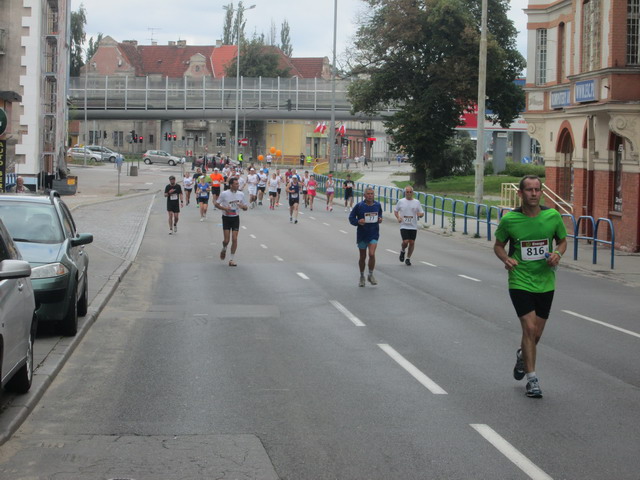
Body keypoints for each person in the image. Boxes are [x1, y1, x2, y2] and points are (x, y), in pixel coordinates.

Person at [493, 175, 567, 399]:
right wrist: (506, 259)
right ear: (520, 194)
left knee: (537, 333)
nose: (534, 194)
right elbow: (498, 245)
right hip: (520, 279)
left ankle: (522, 356)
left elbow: (562, 241)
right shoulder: (510, 220)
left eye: (537, 190)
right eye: (529, 190)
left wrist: (557, 253)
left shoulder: (552, 216)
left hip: (546, 281)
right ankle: (532, 380)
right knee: (529, 327)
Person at [349, 187, 383, 287]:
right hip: (362, 234)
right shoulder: (359, 206)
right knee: (362, 257)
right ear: (364, 195)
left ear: (374, 195)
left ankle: (371, 274)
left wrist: (380, 219)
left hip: (373, 233)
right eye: (368, 194)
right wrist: (358, 222)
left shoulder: (377, 205)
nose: (370, 196)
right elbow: (351, 218)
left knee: (372, 254)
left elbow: (379, 215)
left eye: (372, 194)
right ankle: (362, 276)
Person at [215, 177, 249, 267]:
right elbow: (216, 204)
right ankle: (224, 248)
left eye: (238, 184)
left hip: (235, 218)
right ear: (231, 185)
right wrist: (224, 208)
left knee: (234, 239)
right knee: (226, 240)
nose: (238, 185)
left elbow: (246, 208)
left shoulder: (241, 194)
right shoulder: (224, 194)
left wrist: (242, 206)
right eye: (236, 184)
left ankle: (231, 259)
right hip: (226, 218)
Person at [393, 186, 424, 266]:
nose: (409, 193)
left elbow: (421, 213)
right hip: (404, 225)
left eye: (410, 192)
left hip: (413, 226)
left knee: (412, 242)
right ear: (405, 193)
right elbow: (396, 211)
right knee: (405, 241)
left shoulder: (416, 202)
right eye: (407, 192)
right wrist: (398, 217)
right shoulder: (401, 201)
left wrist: (420, 214)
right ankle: (403, 250)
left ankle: (408, 258)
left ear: (412, 193)